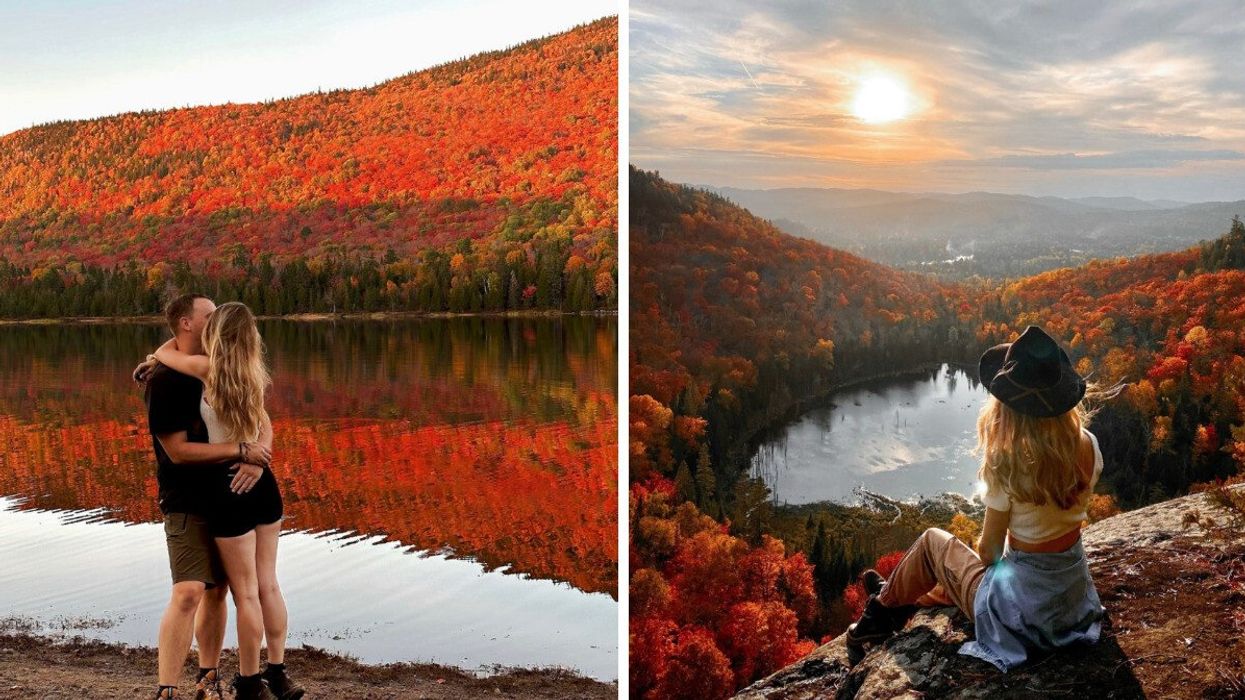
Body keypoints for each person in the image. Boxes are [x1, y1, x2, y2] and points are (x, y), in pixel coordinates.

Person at [844, 325, 1122, 671]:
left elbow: (988, 554)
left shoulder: (1007, 464)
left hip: (1022, 612)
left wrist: (1001, 550)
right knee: (959, 574)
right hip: (1069, 600)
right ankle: (897, 596)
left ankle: (873, 620)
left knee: (934, 543)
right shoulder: (1089, 446)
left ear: (1009, 408)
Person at [140, 301, 304, 700]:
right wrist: (255, 455)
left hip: (228, 490)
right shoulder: (252, 372)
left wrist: (156, 356)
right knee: (267, 584)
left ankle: (248, 682)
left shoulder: (206, 370)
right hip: (261, 488)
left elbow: (167, 352)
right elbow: (262, 423)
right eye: (205, 314)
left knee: (244, 592)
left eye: (215, 319)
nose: (209, 321)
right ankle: (277, 673)